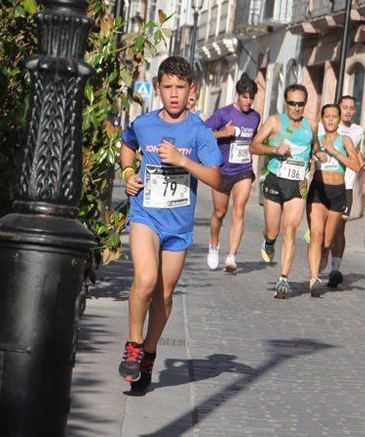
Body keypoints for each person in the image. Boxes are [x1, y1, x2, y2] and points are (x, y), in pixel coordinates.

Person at [118, 56, 222, 393]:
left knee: (163, 294)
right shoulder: (144, 123)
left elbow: (217, 178)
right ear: (158, 89)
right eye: (167, 87)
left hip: (178, 225)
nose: (173, 94)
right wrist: (128, 173)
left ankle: (149, 352)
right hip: (145, 215)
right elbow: (126, 145)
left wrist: (182, 160)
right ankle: (133, 347)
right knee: (146, 279)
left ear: (192, 90)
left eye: (180, 88)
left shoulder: (198, 131)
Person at [250, 84, 315, 299]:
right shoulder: (275, 121)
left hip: (299, 182)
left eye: (301, 103)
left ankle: (283, 278)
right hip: (275, 179)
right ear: (286, 103)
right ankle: (268, 242)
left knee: (290, 229)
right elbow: (254, 146)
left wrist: (319, 156)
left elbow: (314, 149)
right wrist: (274, 149)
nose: (296, 108)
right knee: (273, 231)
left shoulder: (310, 125)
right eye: (292, 103)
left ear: (305, 103)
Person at [311, 95, 365, 288]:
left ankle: (335, 268)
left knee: (339, 229)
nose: (348, 111)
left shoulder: (356, 131)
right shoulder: (323, 129)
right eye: (344, 107)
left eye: (351, 108)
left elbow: (356, 155)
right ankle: (318, 260)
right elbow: (313, 150)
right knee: (319, 230)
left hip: (344, 187)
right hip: (321, 184)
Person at [205, 75, 261, 271]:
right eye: (245, 97)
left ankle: (231, 257)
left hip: (243, 170)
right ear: (237, 95)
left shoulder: (255, 117)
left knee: (239, 211)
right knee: (220, 212)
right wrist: (222, 134)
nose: (248, 101)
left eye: (251, 97)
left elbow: (253, 141)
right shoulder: (223, 114)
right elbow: (202, 132)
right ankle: (213, 245)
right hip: (222, 170)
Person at [306, 103, 361, 297]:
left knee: (327, 242)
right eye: (327, 116)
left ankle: (321, 263)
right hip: (318, 191)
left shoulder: (345, 140)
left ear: (339, 120)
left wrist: (335, 152)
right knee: (316, 236)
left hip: (337, 192)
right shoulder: (316, 141)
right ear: (322, 119)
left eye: (334, 116)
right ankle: (314, 278)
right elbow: (304, 158)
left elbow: (356, 165)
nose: (330, 119)